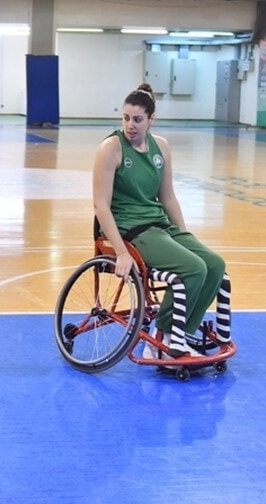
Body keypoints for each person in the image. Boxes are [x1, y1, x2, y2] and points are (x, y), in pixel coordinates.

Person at [92, 83, 227, 361]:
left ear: (151, 119)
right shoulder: (111, 148)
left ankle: (181, 333)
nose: (130, 125)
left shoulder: (161, 147)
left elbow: (168, 197)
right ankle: (161, 336)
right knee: (193, 268)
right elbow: (100, 206)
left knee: (214, 264)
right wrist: (121, 252)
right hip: (130, 229)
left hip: (158, 225)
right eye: (126, 118)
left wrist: (184, 236)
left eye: (137, 119)